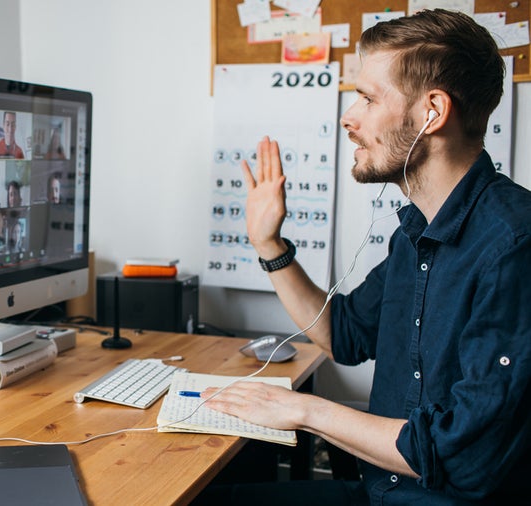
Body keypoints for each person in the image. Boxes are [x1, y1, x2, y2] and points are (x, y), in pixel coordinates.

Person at [197, 9, 531, 505]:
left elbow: (463, 456)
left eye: (368, 98)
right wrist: (270, 244)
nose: (348, 117)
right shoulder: (415, 233)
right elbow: (344, 334)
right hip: (384, 492)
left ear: (432, 113)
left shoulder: (513, 245)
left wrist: (306, 412)